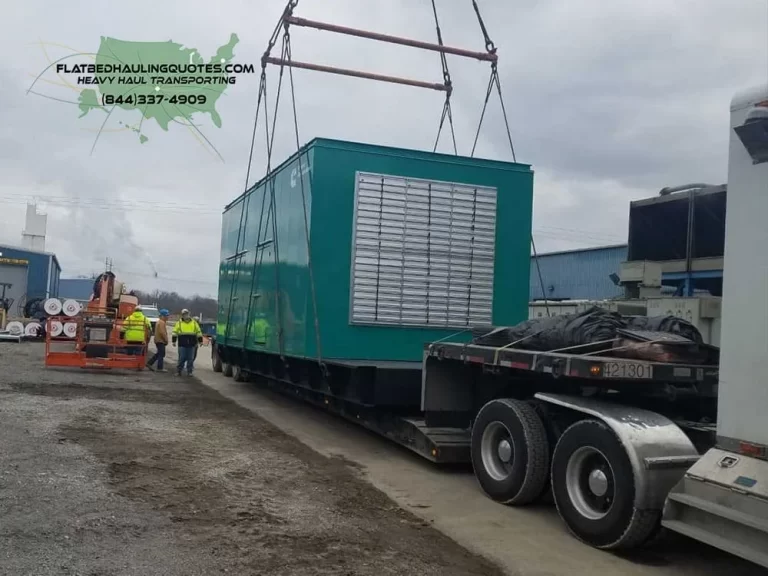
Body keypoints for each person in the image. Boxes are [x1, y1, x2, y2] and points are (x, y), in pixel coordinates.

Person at [172, 308, 203, 376]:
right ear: (182, 315)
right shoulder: (179, 323)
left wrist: (200, 341)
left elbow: (198, 332)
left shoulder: (194, 323)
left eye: (187, 314)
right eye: (184, 314)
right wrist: (174, 341)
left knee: (190, 359)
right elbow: (174, 332)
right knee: (181, 358)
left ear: (189, 314)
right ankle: (179, 371)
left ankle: (189, 372)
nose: (186, 315)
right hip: (182, 344)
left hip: (192, 344)